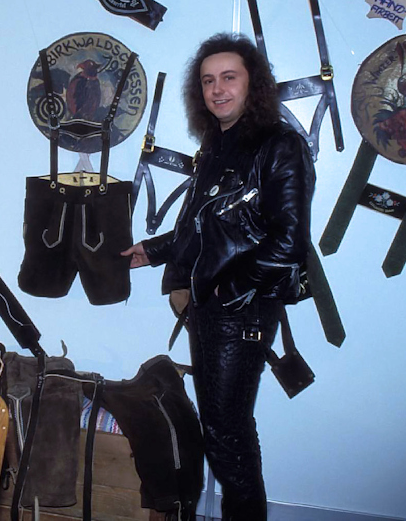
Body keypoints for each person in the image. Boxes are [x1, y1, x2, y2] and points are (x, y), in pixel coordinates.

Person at [122, 32, 314, 520]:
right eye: (208, 80)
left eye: (229, 77)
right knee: (223, 429)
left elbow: (289, 243)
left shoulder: (280, 145)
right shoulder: (217, 145)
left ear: (254, 85)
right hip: (212, 310)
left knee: (226, 434)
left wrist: (226, 289)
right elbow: (205, 226)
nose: (217, 89)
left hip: (239, 311)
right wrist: (154, 250)